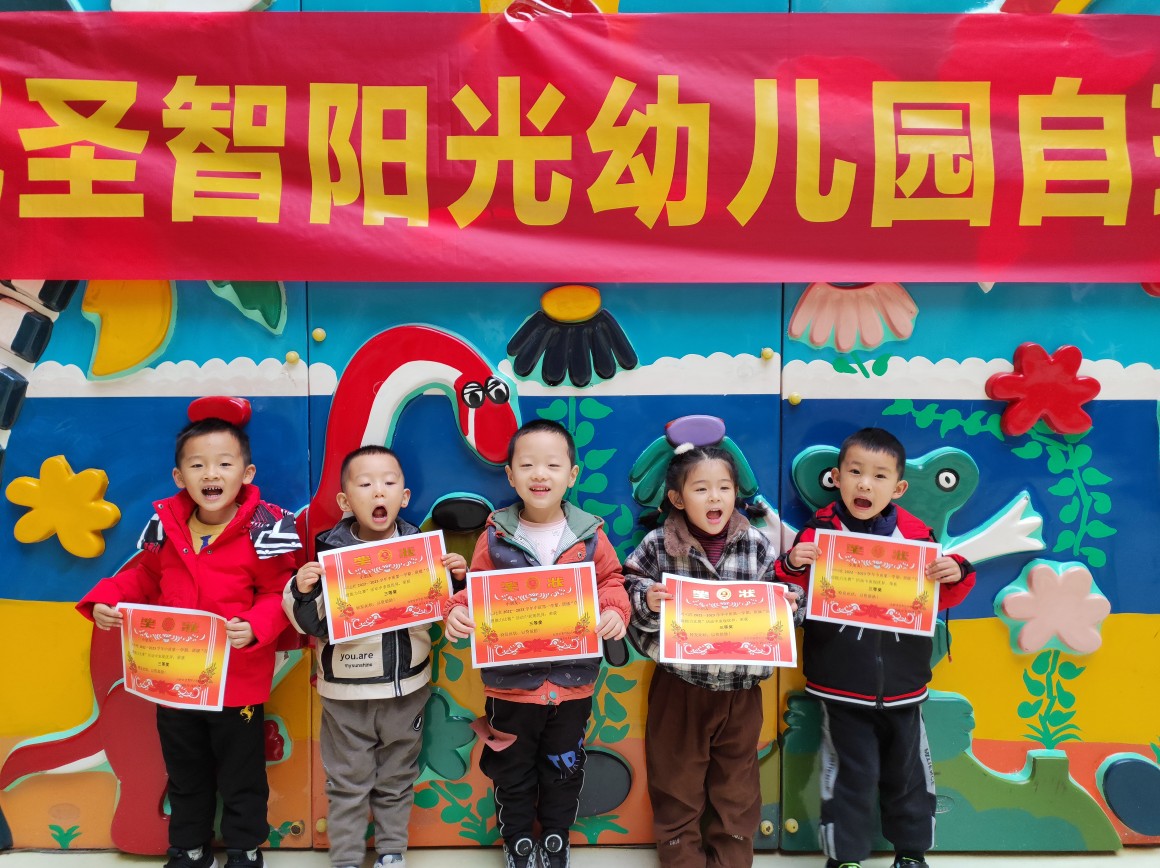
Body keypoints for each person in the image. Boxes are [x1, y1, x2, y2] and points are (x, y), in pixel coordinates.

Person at [77, 410, 301, 868]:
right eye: (198, 465)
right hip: (174, 681)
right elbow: (143, 576)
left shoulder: (265, 527)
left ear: (246, 473)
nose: (211, 474)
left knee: (241, 773)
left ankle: (244, 848)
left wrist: (256, 625)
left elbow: (281, 590)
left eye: (224, 464)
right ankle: (190, 847)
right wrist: (105, 599)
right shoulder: (166, 526)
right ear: (180, 477)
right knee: (185, 771)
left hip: (236, 682)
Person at [775, 427, 976, 868]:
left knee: (909, 774)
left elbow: (944, 595)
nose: (865, 484)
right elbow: (791, 590)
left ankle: (912, 853)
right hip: (840, 683)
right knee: (849, 774)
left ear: (898, 488)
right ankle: (845, 856)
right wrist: (790, 564)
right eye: (855, 472)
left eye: (879, 476)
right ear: (836, 478)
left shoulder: (916, 535)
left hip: (905, 685)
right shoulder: (819, 532)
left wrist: (957, 570)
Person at [443, 419, 630, 868]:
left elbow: (612, 580)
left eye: (552, 465)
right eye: (527, 465)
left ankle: (556, 838)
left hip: (572, 684)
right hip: (510, 687)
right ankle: (518, 842)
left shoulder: (590, 535)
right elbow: (478, 589)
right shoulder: (495, 536)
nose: (539, 474)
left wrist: (614, 610)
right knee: (511, 770)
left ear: (572, 474)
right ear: (510, 476)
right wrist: (457, 610)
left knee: (564, 766)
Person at [284, 445, 467, 868]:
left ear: (404, 496)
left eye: (388, 483)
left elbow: (450, 613)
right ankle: (346, 859)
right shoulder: (329, 556)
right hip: (346, 694)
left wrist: (458, 579)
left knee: (397, 779)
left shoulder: (422, 552)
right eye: (365, 484)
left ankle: (391, 853)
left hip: (406, 689)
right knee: (347, 783)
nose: (378, 492)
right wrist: (302, 591)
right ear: (345, 501)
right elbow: (311, 625)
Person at [623, 443, 802, 868]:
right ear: (677, 498)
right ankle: (682, 860)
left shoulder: (756, 544)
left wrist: (789, 604)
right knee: (676, 783)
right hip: (681, 687)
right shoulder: (657, 545)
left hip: (742, 690)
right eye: (701, 488)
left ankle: (731, 860)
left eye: (724, 487)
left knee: (737, 789)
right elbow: (627, 592)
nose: (714, 497)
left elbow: (783, 600)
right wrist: (647, 599)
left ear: (736, 493)